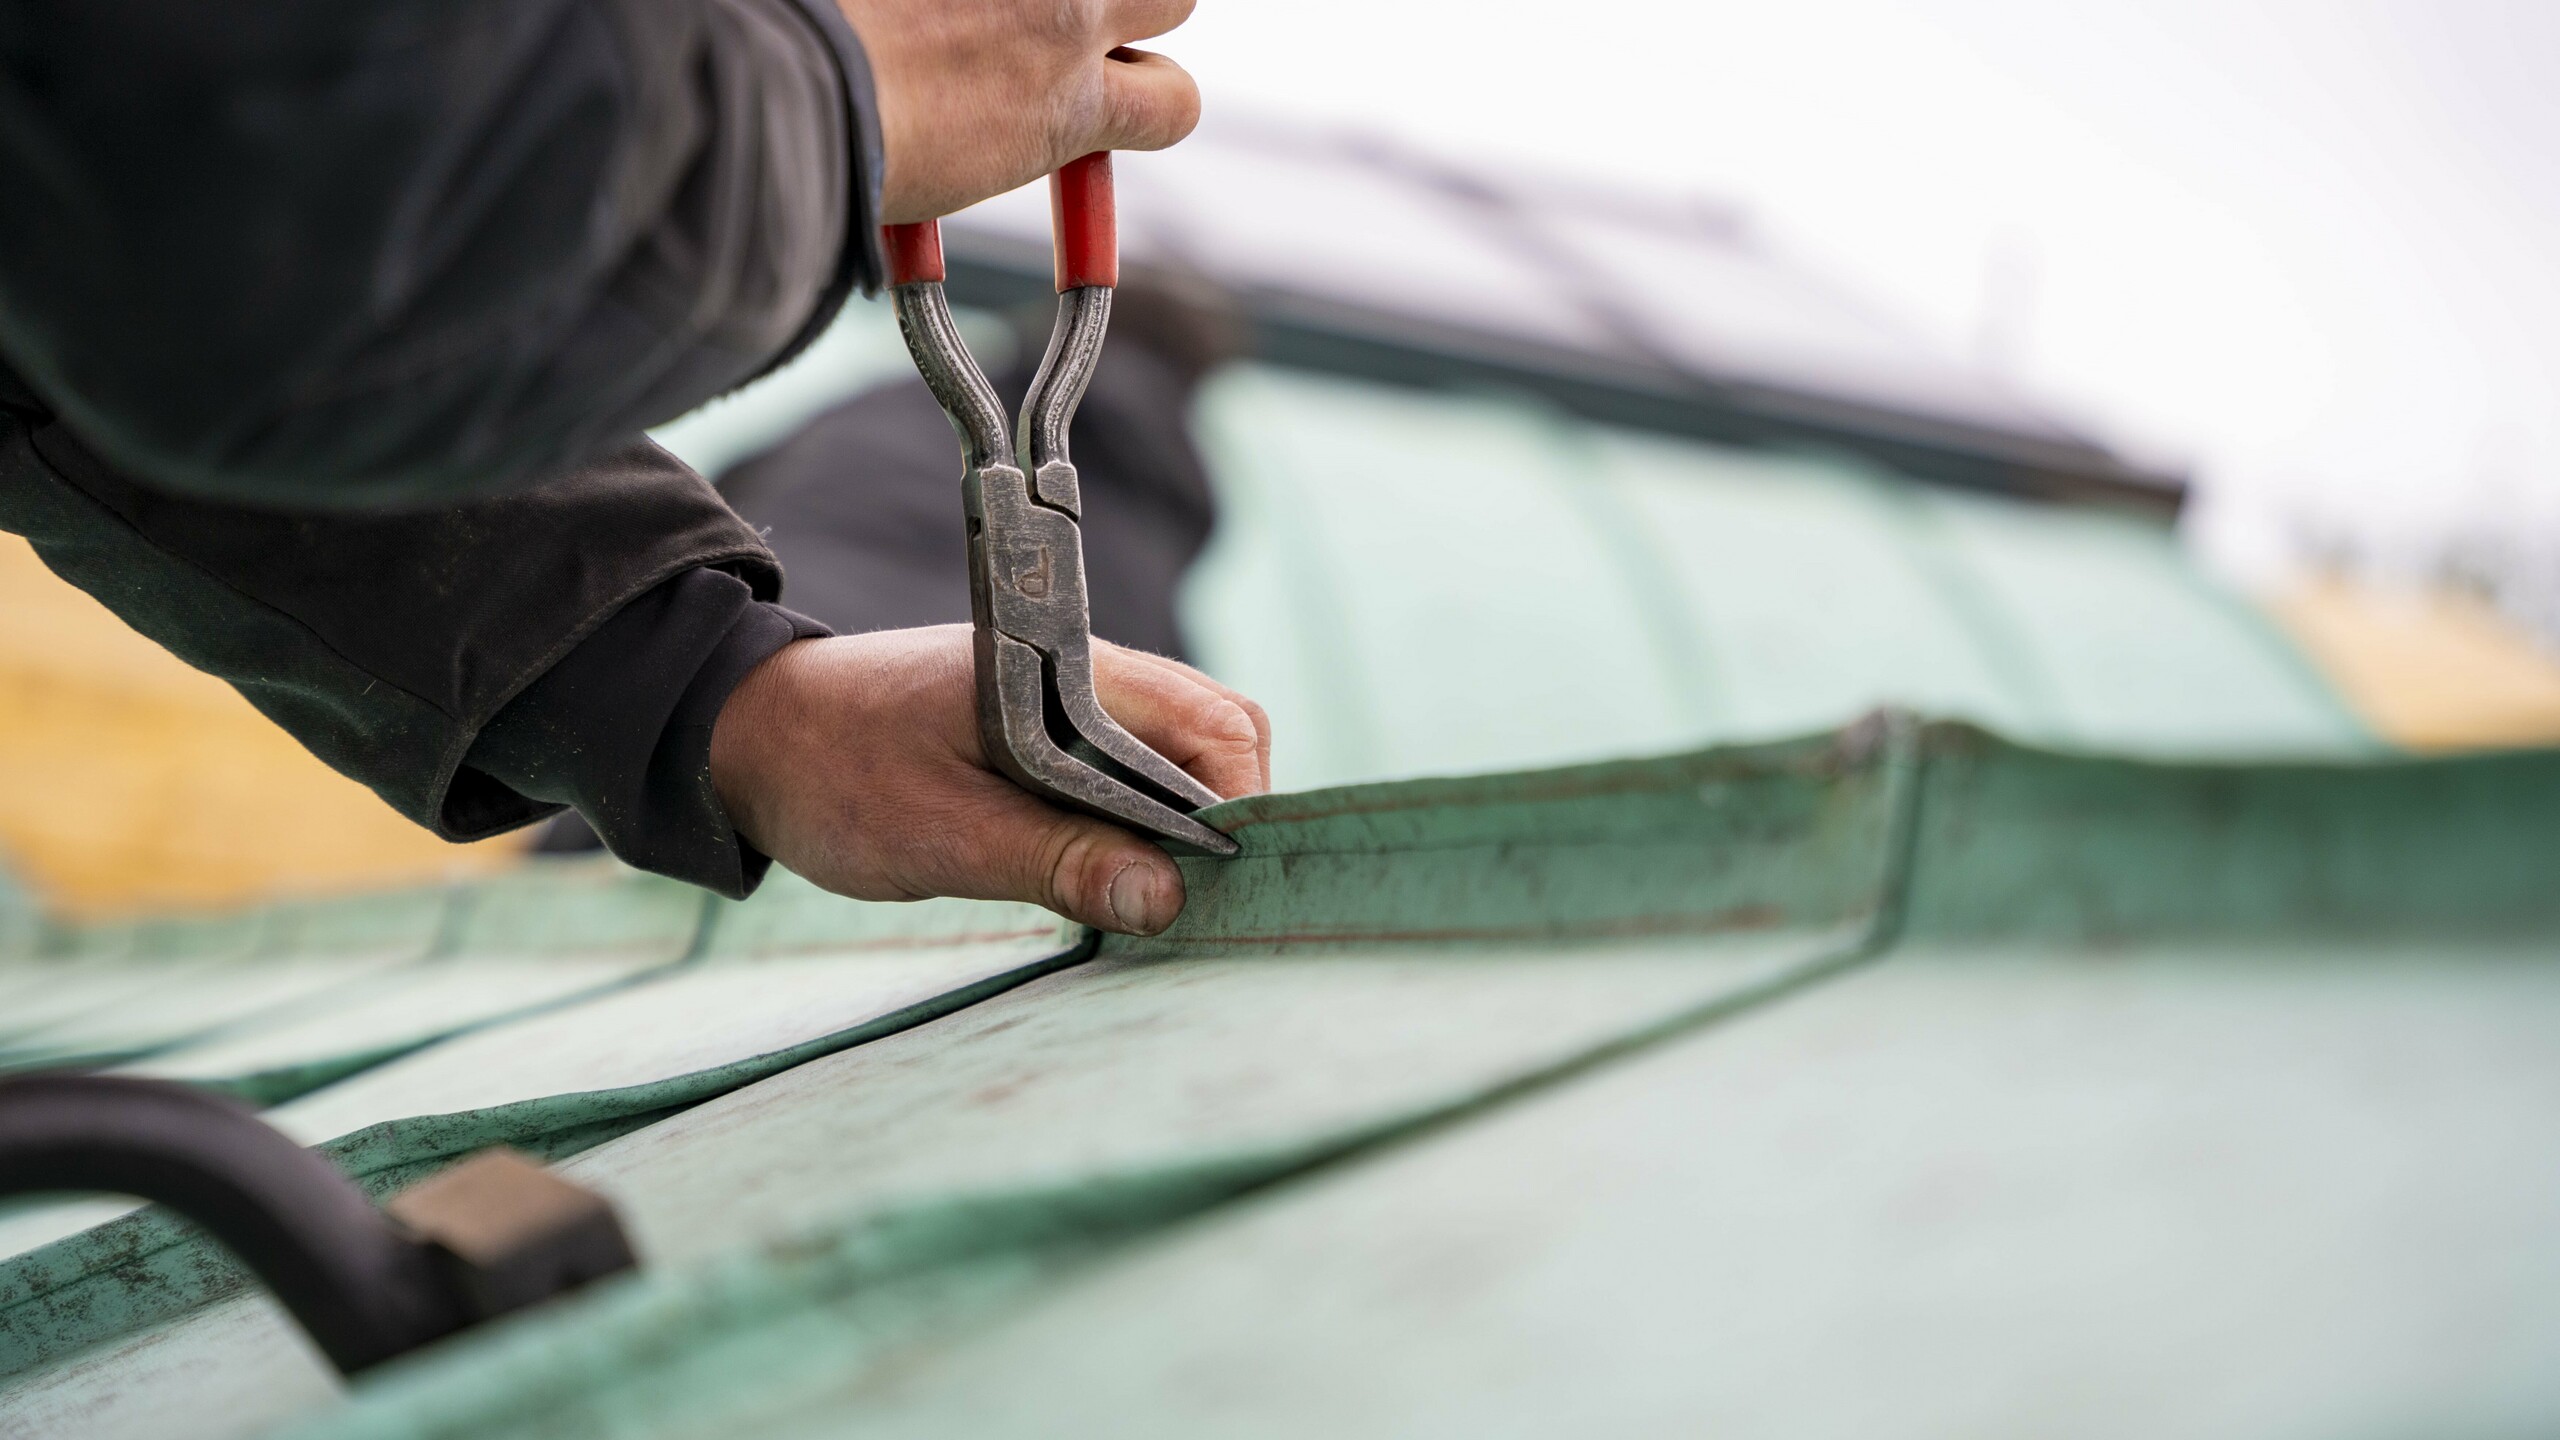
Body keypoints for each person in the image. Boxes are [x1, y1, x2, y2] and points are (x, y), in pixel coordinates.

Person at [0, 0, 1268, 937]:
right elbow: (230, 230)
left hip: (645, 815)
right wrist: (829, 92)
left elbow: (85, 291)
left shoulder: (894, 405)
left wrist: (728, 696)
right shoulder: (1157, 516)